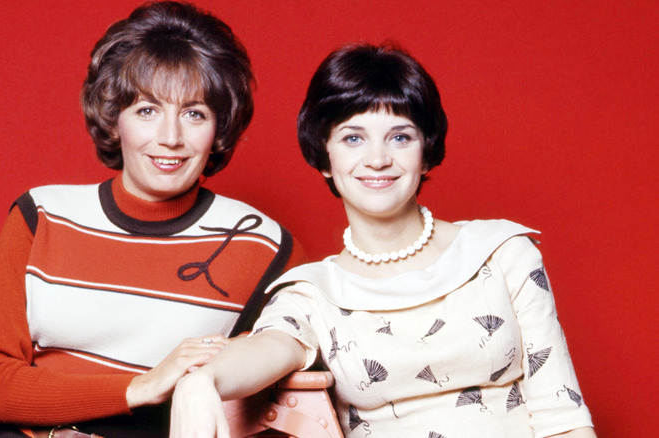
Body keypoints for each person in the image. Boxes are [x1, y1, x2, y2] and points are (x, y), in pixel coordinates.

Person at [170, 43, 596, 437]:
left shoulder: (503, 252)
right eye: (353, 138)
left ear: (426, 150)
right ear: (325, 156)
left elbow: (565, 415)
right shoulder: (311, 293)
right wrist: (200, 383)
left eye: (400, 137)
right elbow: (264, 351)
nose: (378, 159)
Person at [0, 2, 305, 437]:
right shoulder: (42, 215)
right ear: (113, 119)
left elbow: (294, 378)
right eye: (147, 110)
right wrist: (138, 387)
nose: (170, 138)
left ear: (219, 128)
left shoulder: (263, 246)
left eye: (194, 112)